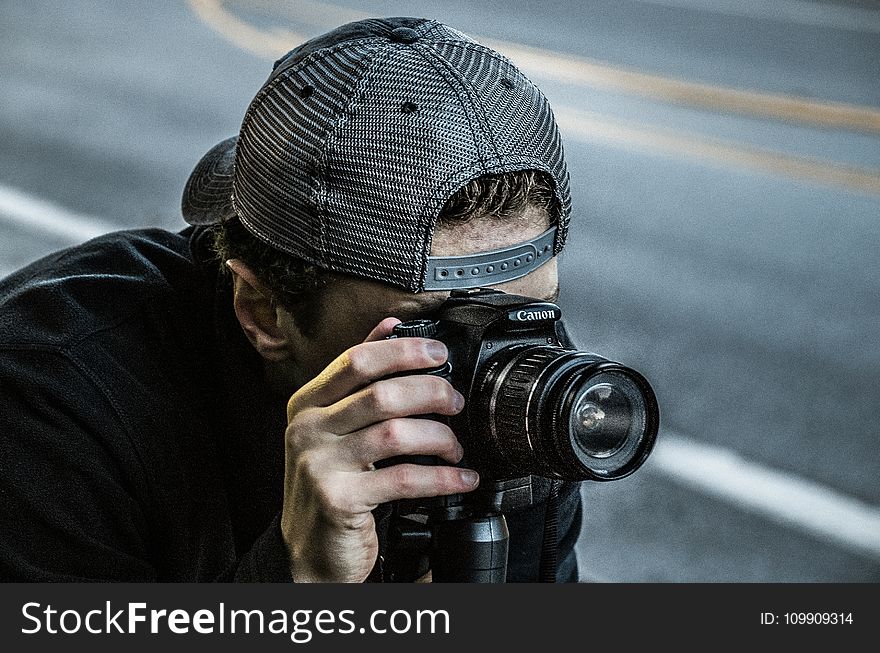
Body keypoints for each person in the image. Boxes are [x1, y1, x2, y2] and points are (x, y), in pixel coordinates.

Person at [0, 17, 582, 582]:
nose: (494, 369)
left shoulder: (524, 394)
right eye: (433, 332)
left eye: (524, 316)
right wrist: (298, 580)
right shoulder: (50, 400)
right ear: (264, 312)